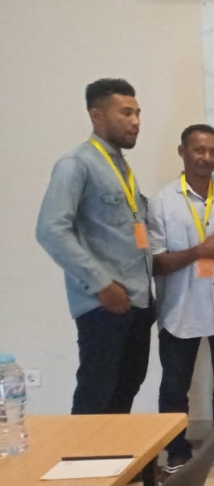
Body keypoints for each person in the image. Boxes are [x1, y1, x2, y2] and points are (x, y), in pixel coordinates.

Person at [36, 78, 154, 415]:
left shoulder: (119, 165)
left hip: (137, 301)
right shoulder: (76, 164)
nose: (136, 121)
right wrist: (102, 284)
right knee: (96, 395)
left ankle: (117, 453)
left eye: (138, 113)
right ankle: (84, 453)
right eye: (126, 113)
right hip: (104, 305)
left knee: (125, 390)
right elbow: (50, 230)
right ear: (96, 115)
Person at [148, 124, 214, 476]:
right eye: (199, 150)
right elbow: (155, 263)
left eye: (213, 151)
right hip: (180, 311)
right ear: (182, 152)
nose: (206, 157)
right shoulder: (162, 202)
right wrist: (199, 252)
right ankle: (176, 453)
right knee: (174, 387)